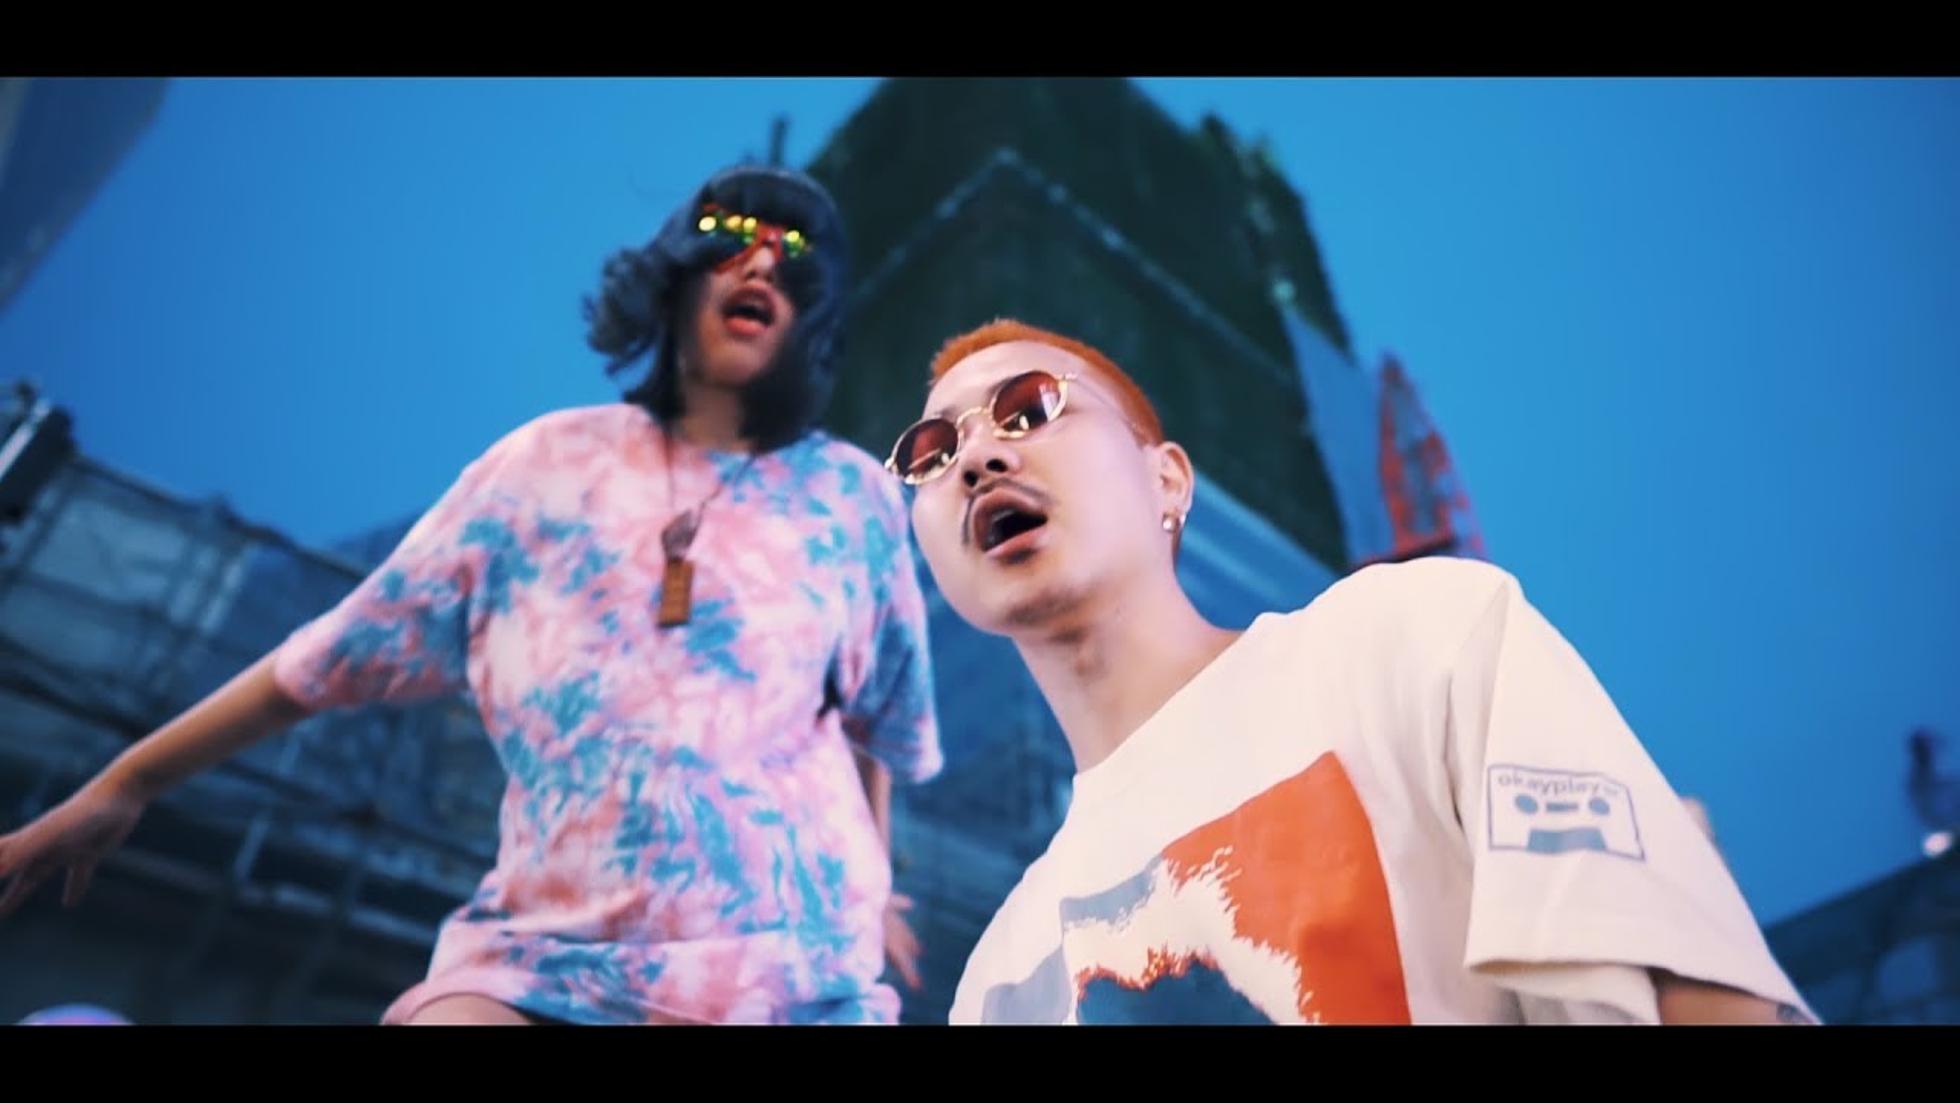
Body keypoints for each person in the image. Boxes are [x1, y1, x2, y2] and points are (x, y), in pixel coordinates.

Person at [0, 164, 941, 1026]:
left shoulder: (850, 497)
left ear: (812, 314)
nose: (763, 259)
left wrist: (874, 884)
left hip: (791, 981)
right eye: (731, 235)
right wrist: (126, 782)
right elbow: (324, 658)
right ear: (675, 276)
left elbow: (872, 717)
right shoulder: (540, 471)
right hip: (546, 963)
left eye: (792, 250)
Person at [889, 317, 1810, 1025]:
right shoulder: (1001, 979)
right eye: (931, 454)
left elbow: (1692, 988)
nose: (977, 456)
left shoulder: (1414, 642)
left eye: (1032, 406)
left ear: (1166, 480)